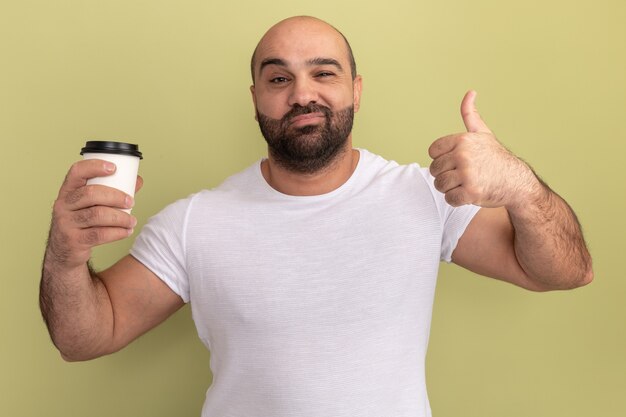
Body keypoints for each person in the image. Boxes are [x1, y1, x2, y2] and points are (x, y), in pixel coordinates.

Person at [39, 15, 593, 417]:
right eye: (279, 79)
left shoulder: (423, 196)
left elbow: (565, 271)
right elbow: (86, 337)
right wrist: (65, 257)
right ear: (256, 97)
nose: (302, 93)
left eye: (323, 74)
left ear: (355, 89)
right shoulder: (195, 221)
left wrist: (519, 185)